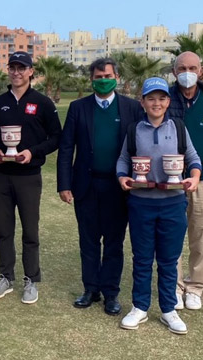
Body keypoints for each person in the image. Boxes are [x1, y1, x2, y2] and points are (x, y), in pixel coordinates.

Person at [57, 58, 143, 313]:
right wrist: (64, 184)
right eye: (97, 77)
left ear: (116, 77)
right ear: (91, 80)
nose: (102, 80)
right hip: (86, 185)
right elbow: (66, 149)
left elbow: (141, 145)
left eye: (106, 75)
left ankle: (111, 293)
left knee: (114, 243)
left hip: (119, 187)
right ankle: (90, 289)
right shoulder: (78, 108)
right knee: (89, 241)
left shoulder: (131, 108)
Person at [117, 77, 201, 335]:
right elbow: (122, 160)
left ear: (168, 101)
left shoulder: (178, 127)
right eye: (150, 98)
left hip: (173, 203)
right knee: (142, 259)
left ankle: (168, 310)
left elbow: (193, 158)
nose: (156, 103)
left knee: (168, 259)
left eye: (161, 98)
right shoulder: (134, 129)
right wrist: (123, 178)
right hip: (141, 203)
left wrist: (194, 177)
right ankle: (140, 307)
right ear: (142, 102)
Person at [0, 51, 62, 304]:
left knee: (30, 230)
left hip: (29, 176)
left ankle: (31, 279)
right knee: (3, 230)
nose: (16, 72)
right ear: (8, 70)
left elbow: (56, 138)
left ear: (31, 72)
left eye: (22, 68)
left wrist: (32, 152)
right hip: (1, 176)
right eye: (12, 67)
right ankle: (6, 276)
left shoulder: (43, 102)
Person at [168, 51, 203, 310]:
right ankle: (175, 286)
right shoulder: (165, 98)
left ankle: (195, 287)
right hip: (171, 179)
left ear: (201, 70)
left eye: (192, 67)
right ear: (174, 71)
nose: (187, 72)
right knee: (173, 233)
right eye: (182, 68)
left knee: (200, 235)